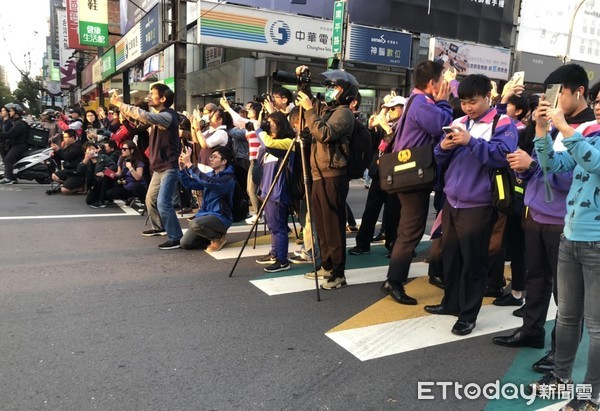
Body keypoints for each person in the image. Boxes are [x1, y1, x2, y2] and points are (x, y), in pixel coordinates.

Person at [493, 65, 598, 373]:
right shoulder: (554, 124)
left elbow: (577, 173)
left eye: (557, 93)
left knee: (566, 298)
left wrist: (538, 160)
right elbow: (549, 163)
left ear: (577, 92)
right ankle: (531, 330)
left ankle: (559, 352)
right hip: (537, 212)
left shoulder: (590, 129)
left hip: (566, 221)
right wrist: (531, 153)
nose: (552, 100)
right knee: (536, 279)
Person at [426, 74, 518, 336]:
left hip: (478, 204)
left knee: (474, 262)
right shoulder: (458, 122)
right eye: (464, 102)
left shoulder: (502, 123)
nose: (467, 107)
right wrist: (443, 147)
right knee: (451, 257)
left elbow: (503, 155)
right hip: (452, 201)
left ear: (488, 98)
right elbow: (440, 156)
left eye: (473, 102)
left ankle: (468, 315)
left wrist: (471, 141)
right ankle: (450, 303)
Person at [529, 81, 600, 411]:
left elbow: (596, 164)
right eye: (598, 101)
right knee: (567, 317)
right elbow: (552, 167)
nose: (598, 106)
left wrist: (564, 128)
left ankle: (591, 395)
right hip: (570, 237)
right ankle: (560, 377)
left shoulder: (582, 137)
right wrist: (542, 132)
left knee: (597, 327)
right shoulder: (589, 135)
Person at [384, 60, 453, 305]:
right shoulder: (423, 104)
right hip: (414, 176)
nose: (445, 84)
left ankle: (399, 277)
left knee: (407, 229)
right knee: (411, 232)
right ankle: (394, 281)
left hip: (408, 173)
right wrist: (444, 102)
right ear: (433, 83)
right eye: (442, 79)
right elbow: (442, 126)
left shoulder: (415, 100)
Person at [295, 66, 357, 290]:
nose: (331, 91)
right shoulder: (327, 110)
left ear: (346, 91)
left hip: (333, 174)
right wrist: (303, 81)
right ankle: (327, 265)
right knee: (321, 225)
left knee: (333, 225)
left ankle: (339, 273)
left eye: (335, 87)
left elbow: (324, 133)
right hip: (318, 173)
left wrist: (311, 111)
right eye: (330, 87)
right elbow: (309, 105)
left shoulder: (344, 113)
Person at [110, 84, 183, 250]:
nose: (149, 96)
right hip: (159, 167)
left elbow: (143, 115)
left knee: (164, 203)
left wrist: (120, 104)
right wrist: (125, 112)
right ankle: (159, 227)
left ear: (163, 99)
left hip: (169, 167)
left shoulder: (167, 116)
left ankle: (176, 237)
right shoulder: (159, 116)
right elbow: (140, 119)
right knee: (150, 199)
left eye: (153, 94)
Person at [348, 94, 404, 256]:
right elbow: (372, 145)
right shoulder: (385, 124)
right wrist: (372, 128)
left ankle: (393, 246)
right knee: (370, 211)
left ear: (403, 108)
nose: (390, 111)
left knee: (393, 213)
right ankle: (363, 244)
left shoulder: (404, 126)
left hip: (396, 175)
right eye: (388, 108)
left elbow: (398, 147)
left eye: (394, 108)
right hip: (379, 174)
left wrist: (386, 128)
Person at [254, 111, 295, 272]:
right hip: (267, 190)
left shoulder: (287, 142)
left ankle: (282, 260)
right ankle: (274, 252)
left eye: (271, 122)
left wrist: (259, 130)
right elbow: (261, 157)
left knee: (279, 226)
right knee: (272, 225)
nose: (268, 125)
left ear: (280, 124)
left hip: (278, 191)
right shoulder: (269, 143)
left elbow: (269, 144)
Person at [178, 145, 236, 251]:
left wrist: (190, 165)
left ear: (224, 161)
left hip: (221, 217)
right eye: (211, 157)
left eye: (214, 157)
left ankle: (218, 238)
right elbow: (190, 184)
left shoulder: (228, 178)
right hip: (205, 215)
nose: (211, 159)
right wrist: (182, 169)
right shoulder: (210, 174)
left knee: (195, 223)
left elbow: (208, 182)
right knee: (185, 243)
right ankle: (210, 235)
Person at [105, 140, 147, 204]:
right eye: (122, 149)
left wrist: (130, 168)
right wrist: (107, 172)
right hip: (126, 185)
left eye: (125, 149)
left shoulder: (138, 162)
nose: (122, 151)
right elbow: (119, 174)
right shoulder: (121, 159)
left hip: (136, 185)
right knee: (110, 193)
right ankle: (129, 197)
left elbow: (138, 178)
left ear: (132, 150)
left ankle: (143, 201)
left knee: (137, 188)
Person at [77, 142, 117, 208]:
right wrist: (86, 159)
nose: (92, 151)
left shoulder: (103, 157)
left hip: (104, 181)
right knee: (89, 201)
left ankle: (101, 201)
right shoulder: (86, 161)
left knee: (106, 177)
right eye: (89, 150)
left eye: (93, 149)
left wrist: (104, 172)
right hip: (94, 184)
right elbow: (79, 171)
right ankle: (104, 197)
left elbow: (114, 166)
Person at [48, 129, 85, 195]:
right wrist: (55, 154)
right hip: (68, 170)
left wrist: (58, 150)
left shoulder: (78, 146)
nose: (64, 139)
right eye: (63, 137)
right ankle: (68, 184)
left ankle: (80, 187)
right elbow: (62, 156)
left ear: (72, 138)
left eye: (66, 137)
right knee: (54, 176)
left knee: (65, 191)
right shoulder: (68, 145)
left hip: (75, 172)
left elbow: (68, 156)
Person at [0, 104, 28, 184]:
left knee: (7, 160)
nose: (10, 112)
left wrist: (2, 135)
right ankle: (13, 177)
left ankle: (8, 178)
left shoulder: (20, 124)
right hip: (16, 145)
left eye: (12, 111)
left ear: (16, 112)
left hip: (19, 145)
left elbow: (11, 134)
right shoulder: (16, 122)